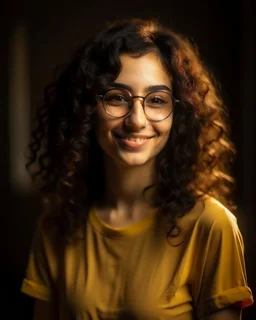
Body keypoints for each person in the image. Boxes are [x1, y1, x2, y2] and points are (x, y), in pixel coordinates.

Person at [21, 18, 253, 319]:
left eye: (156, 100)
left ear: (179, 114)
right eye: (117, 97)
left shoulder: (210, 226)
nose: (137, 120)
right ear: (86, 109)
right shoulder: (57, 226)